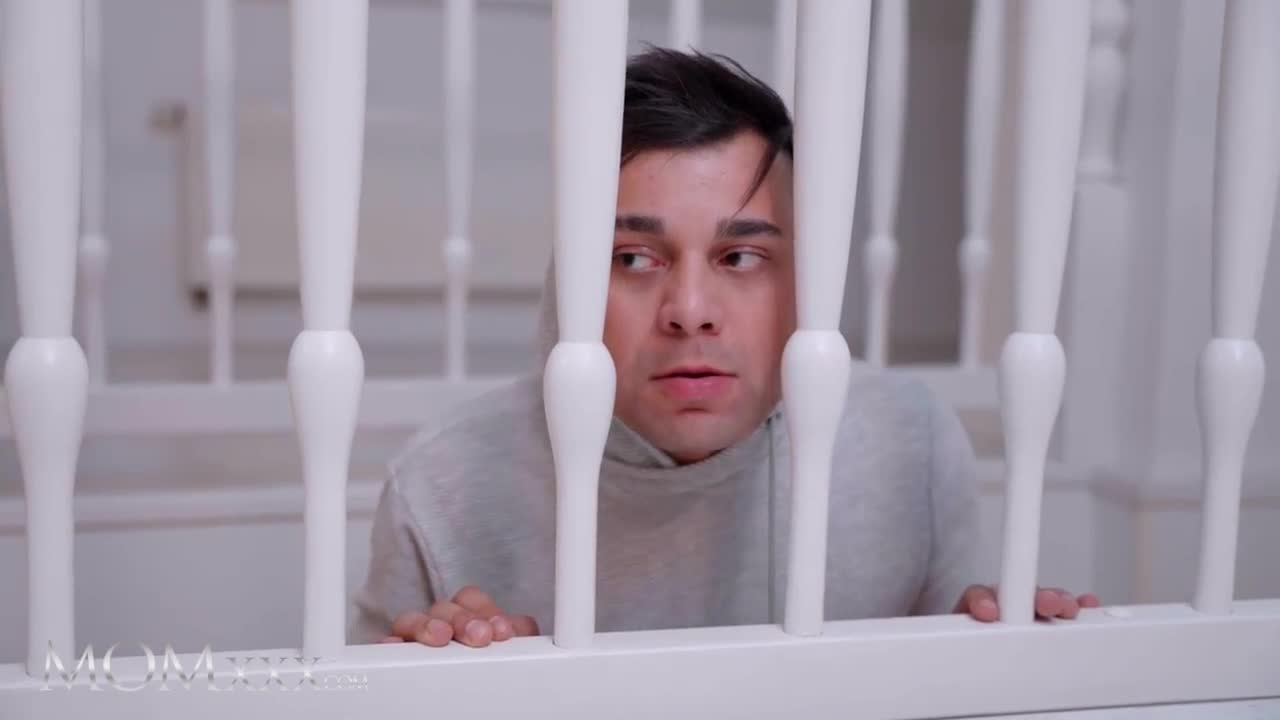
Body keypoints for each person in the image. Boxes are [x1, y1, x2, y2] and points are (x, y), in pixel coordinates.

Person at [348, 48, 1098, 649]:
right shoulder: (443, 485)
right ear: (565, 276)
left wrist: (992, 649)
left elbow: (951, 683)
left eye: (741, 257)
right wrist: (431, 688)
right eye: (634, 258)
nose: (690, 313)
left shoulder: (912, 443)